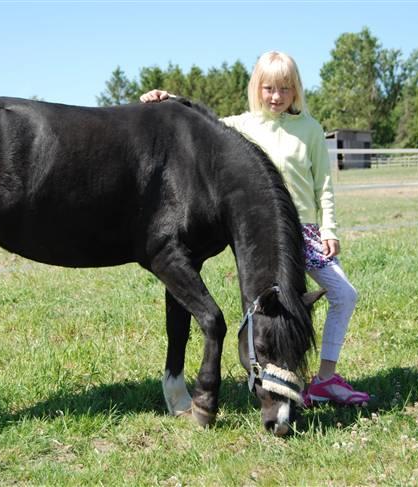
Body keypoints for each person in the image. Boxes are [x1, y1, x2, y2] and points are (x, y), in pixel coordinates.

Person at [140, 51, 369, 406]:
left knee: (344, 295)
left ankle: (325, 378)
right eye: (269, 88)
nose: (276, 97)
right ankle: (271, 368)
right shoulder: (243, 126)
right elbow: (203, 121)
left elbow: (323, 184)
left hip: (305, 234)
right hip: (263, 236)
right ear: (257, 89)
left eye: (285, 89)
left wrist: (329, 229)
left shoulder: (309, 128)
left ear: (296, 91)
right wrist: (171, 100)